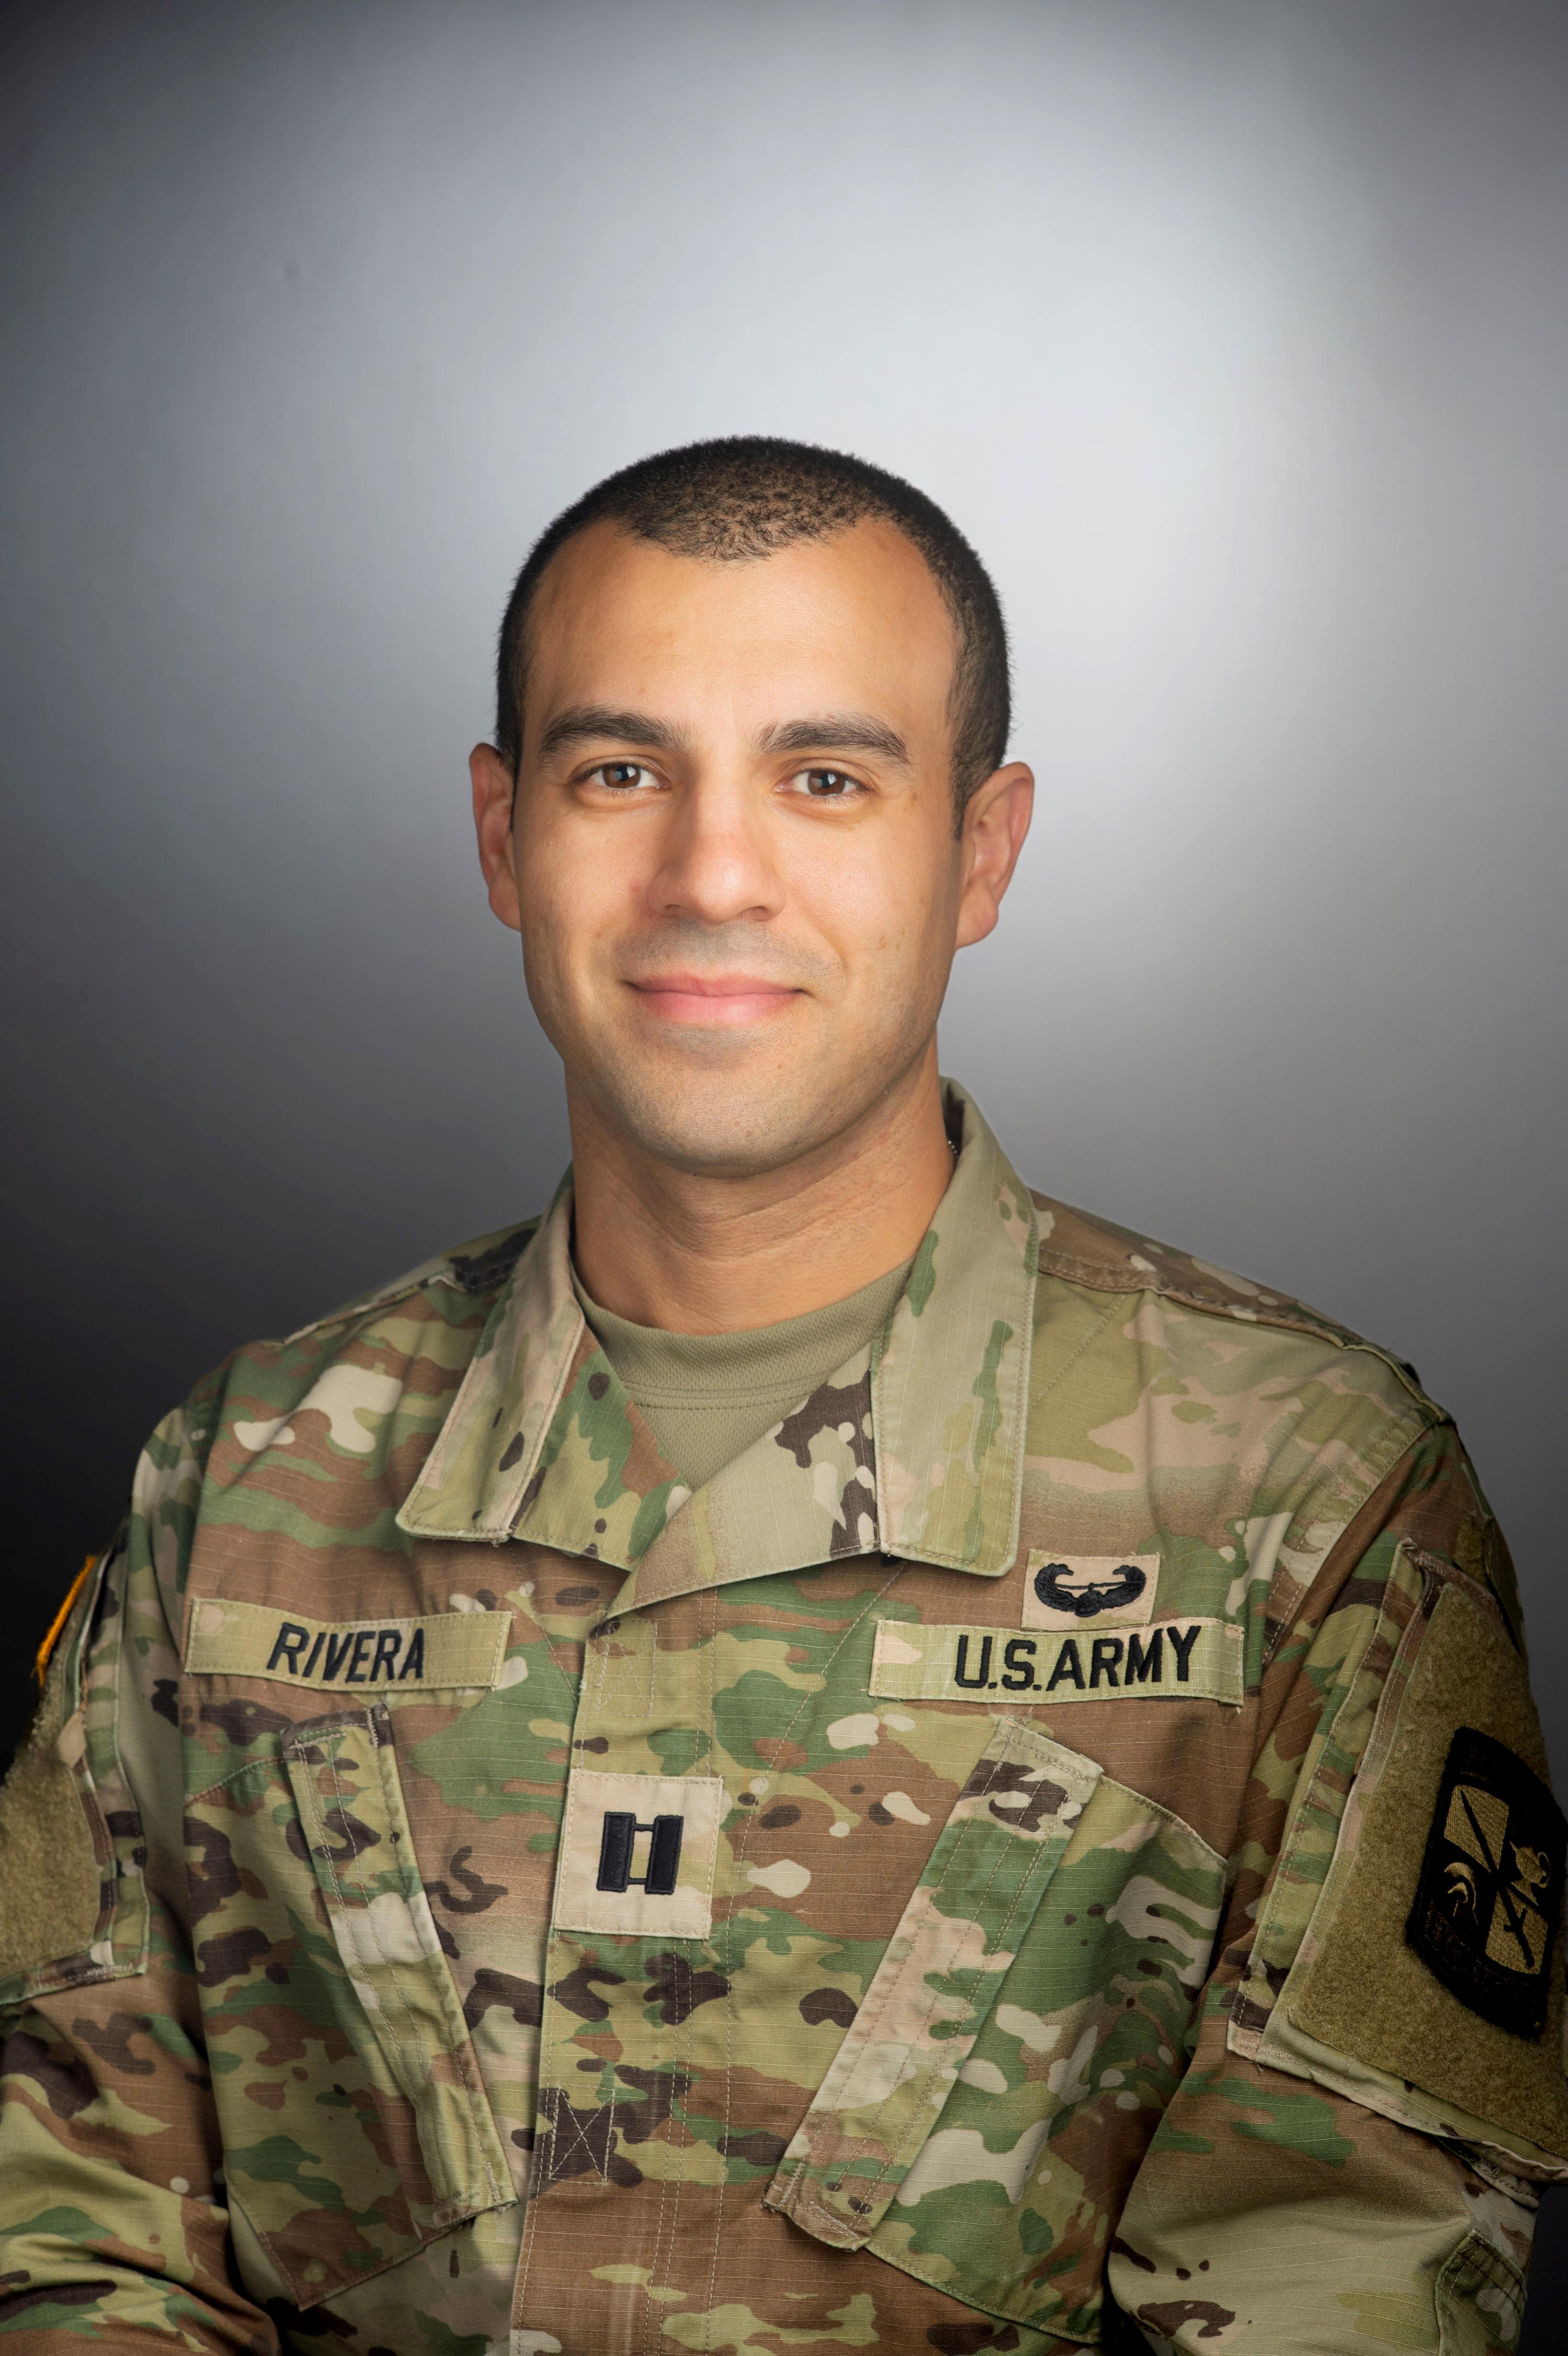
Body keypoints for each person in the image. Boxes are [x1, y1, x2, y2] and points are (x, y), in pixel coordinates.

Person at [0, 437, 1561, 2356]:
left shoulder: (1302, 1500)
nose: (711, 875)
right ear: (500, 834)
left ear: (978, 852)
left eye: (824, 777)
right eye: (618, 772)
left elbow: (1342, 2283)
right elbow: (73, 2235)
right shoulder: (244, 1480)